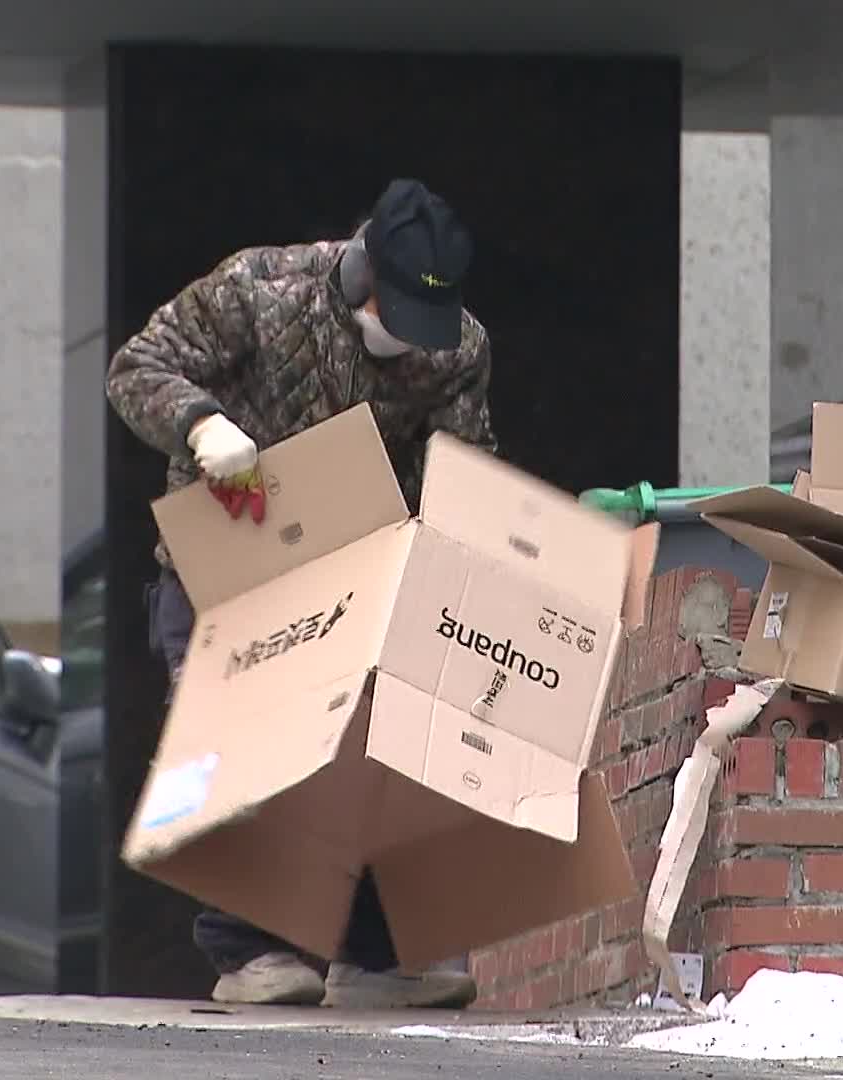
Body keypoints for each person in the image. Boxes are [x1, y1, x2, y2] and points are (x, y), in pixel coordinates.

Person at [105, 178, 495, 1009]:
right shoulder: (259, 291)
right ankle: (251, 951)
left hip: (350, 561)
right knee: (247, 745)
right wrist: (202, 425)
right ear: (361, 277)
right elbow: (137, 366)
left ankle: (378, 953)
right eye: (396, 317)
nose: (410, 342)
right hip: (228, 557)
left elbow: (464, 465)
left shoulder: (455, 348)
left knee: (372, 748)